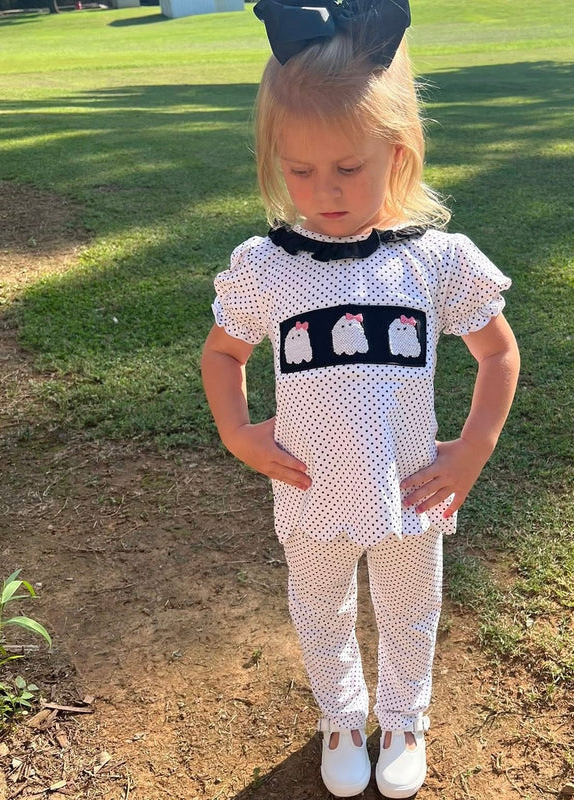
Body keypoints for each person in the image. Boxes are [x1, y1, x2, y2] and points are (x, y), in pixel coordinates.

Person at [200, 0, 520, 796]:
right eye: (300, 171)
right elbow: (223, 352)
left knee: (411, 613)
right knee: (322, 612)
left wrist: (472, 449)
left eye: (348, 168)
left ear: (397, 151)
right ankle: (341, 717)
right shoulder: (265, 265)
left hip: (411, 490)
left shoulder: (436, 261)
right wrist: (238, 432)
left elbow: (498, 352)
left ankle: (405, 717)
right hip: (309, 492)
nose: (326, 191)